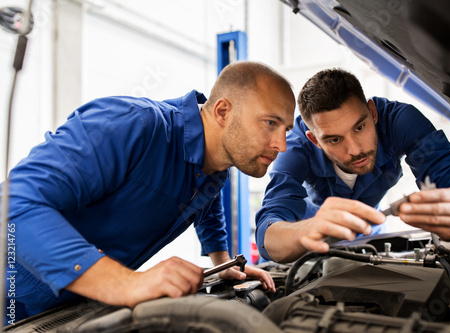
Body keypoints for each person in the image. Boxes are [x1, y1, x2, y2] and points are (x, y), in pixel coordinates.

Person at [1, 61, 296, 322]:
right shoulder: (132, 125)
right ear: (222, 111)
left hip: (75, 306)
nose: (281, 145)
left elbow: (207, 208)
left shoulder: (215, 168)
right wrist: (125, 284)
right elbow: (14, 204)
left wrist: (223, 265)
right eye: (270, 123)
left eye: (286, 129)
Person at [255, 68, 450, 263]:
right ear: (315, 140)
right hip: (307, 250)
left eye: (360, 127)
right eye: (334, 139)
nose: (355, 149)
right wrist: (307, 231)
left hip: (371, 241)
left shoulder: (400, 122)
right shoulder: (294, 150)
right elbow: (268, 234)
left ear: (372, 112)